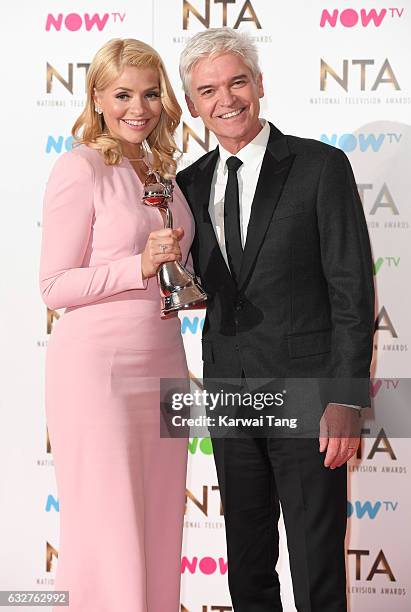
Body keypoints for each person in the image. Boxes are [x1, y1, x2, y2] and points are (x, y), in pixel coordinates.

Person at [177, 29, 374, 612]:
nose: (226, 99)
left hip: (308, 395)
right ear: (192, 104)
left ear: (259, 86)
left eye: (238, 81)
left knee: (316, 567)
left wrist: (345, 398)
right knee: (247, 564)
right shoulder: (186, 186)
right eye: (207, 90)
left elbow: (351, 289)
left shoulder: (319, 166)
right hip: (231, 395)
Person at [39, 38, 194, 612]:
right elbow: (53, 286)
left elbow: (175, 264)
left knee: (158, 519)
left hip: (164, 361)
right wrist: (140, 266)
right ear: (98, 98)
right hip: (98, 371)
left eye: (151, 93)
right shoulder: (80, 167)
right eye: (123, 93)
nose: (140, 107)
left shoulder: (163, 172)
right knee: (107, 525)